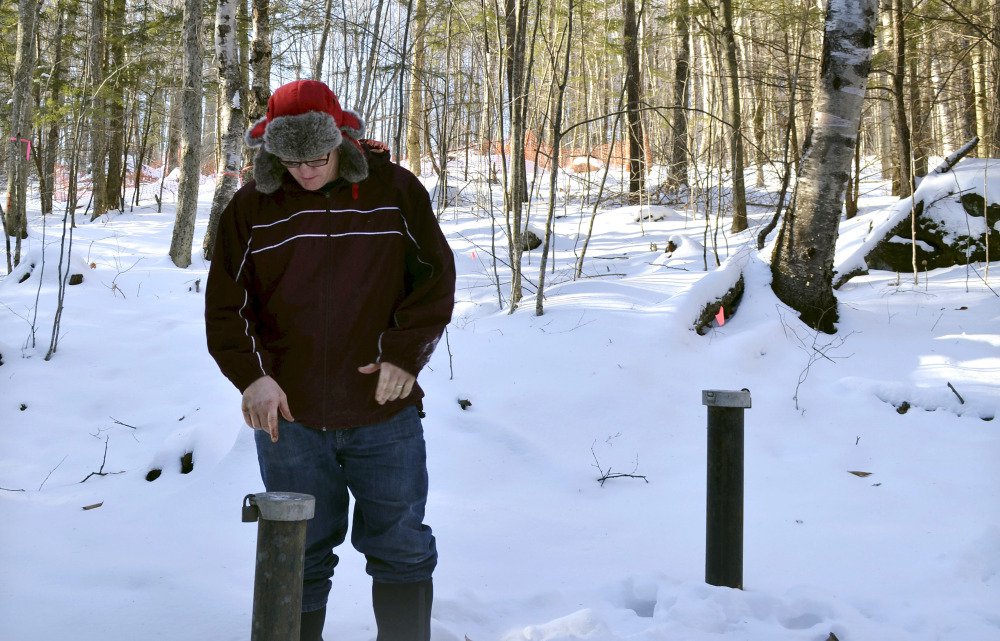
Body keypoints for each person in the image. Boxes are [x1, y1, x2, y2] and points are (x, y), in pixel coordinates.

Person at [205, 79, 455, 641]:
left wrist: (404, 357)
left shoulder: (395, 190)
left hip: (383, 413)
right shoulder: (251, 207)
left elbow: (434, 281)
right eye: (291, 161)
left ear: (341, 138)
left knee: (402, 548)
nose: (307, 171)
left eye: (317, 157)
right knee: (298, 554)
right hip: (290, 420)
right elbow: (225, 308)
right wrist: (253, 379)